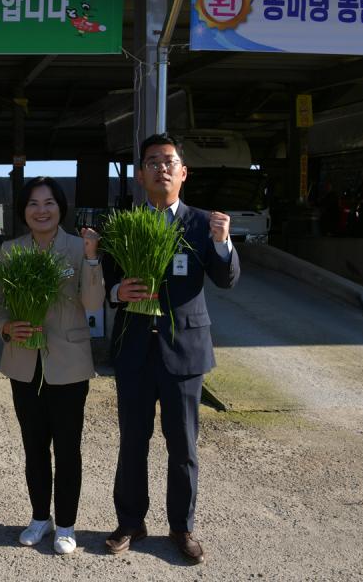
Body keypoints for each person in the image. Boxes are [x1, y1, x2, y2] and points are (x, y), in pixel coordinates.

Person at [101, 133, 240, 564]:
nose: (161, 167)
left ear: (183, 173)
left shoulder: (203, 223)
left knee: (183, 446)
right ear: (141, 174)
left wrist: (222, 242)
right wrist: (116, 291)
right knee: (132, 441)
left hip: (185, 350)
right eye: (152, 162)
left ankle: (182, 527)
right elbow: (105, 280)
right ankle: (131, 521)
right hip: (135, 350)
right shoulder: (123, 223)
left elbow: (227, 279)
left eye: (169, 161)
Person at [0, 177, 104, 555]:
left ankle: (67, 525)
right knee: (34, 445)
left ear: (61, 208)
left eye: (49, 203)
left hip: (69, 363)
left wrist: (91, 258)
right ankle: (40, 518)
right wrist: (6, 325)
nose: (41, 210)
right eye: (33, 204)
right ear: (23, 211)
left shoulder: (78, 247)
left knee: (68, 448)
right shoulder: (10, 250)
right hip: (25, 362)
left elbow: (92, 303)